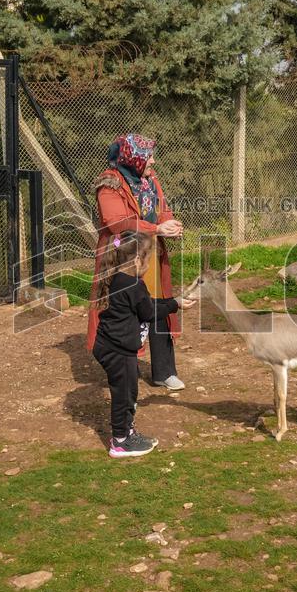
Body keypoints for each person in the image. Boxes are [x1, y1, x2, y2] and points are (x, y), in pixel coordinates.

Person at [88, 134, 187, 390]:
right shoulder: (109, 183)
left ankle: (164, 371)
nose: (153, 160)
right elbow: (116, 222)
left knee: (157, 303)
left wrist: (169, 222)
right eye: (148, 156)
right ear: (133, 158)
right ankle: (123, 367)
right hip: (122, 256)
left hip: (150, 251)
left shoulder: (149, 178)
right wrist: (156, 228)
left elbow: (162, 207)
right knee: (127, 307)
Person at [92, 231, 194, 458]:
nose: (149, 265)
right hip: (117, 350)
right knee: (124, 395)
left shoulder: (120, 278)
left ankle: (127, 432)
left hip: (112, 346)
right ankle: (119, 442)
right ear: (137, 260)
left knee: (129, 391)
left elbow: (145, 305)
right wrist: (174, 305)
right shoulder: (133, 285)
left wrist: (172, 301)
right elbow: (149, 312)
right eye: (149, 259)